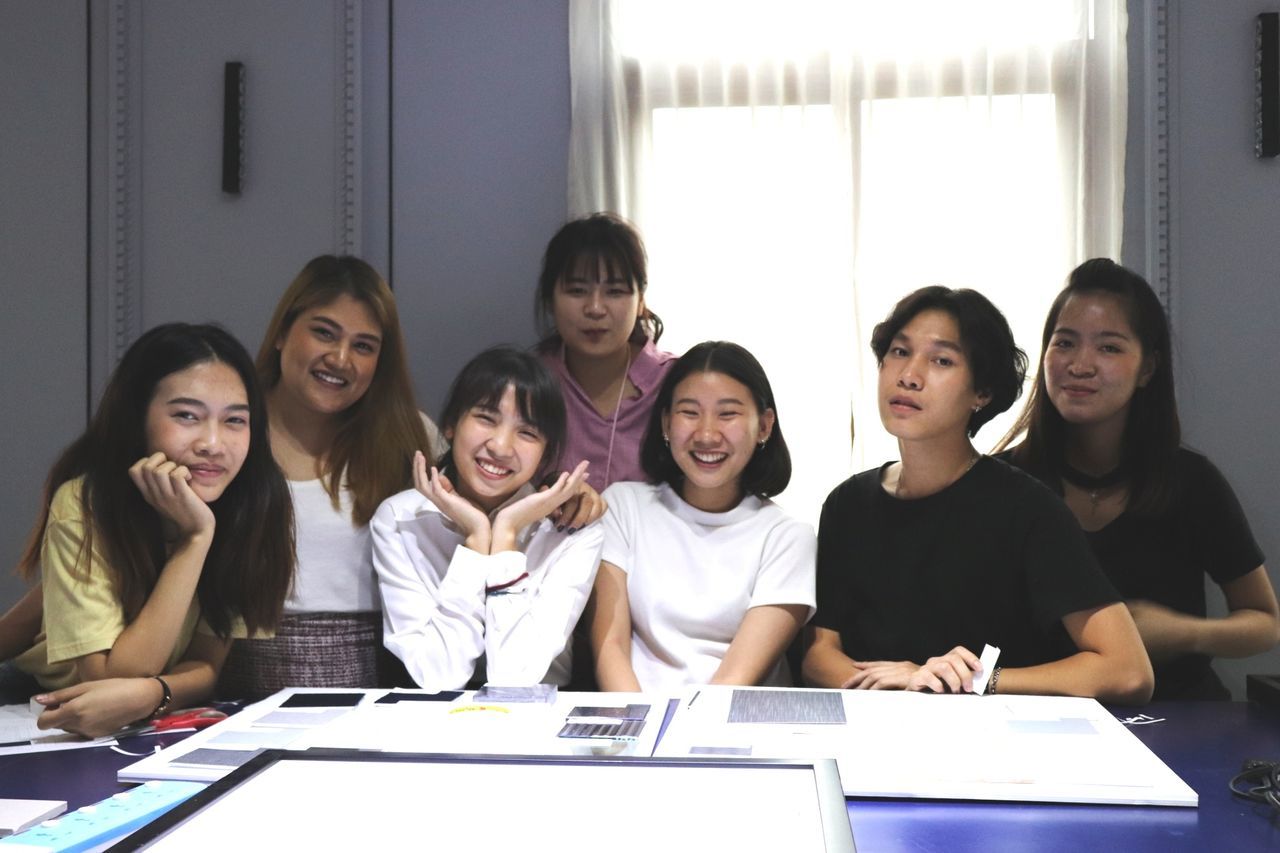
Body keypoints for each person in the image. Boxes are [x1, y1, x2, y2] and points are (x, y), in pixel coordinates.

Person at [802, 286, 1153, 703]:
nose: (909, 375)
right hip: (872, 725)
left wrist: (975, 679)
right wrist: (898, 684)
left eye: (941, 360)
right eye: (899, 352)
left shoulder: (1026, 509)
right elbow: (818, 652)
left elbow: (1128, 670)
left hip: (993, 742)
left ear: (981, 393)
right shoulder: (848, 503)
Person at [1002, 259, 1278, 699]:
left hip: (1180, 719)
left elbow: (1265, 622)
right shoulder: (1006, 483)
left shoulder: (1192, 482)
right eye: (1065, 343)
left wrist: (1184, 632)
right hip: (1041, 715)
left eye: (1109, 348)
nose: (1080, 365)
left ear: (1147, 368)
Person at [1, 324, 293, 736]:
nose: (213, 442)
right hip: (31, 697)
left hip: (145, 712)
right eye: (187, 416)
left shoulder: (254, 507)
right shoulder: (85, 503)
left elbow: (207, 665)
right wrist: (195, 540)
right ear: (137, 418)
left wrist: (154, 693)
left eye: (234, 420)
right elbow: (110, 678)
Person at [216, 255, 446, 699]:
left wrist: (573, 502)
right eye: (324, 332)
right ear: (283, 332)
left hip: (380, 700)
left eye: (364, 346)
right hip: (234, 697)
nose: (340, 359)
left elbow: (503, 500)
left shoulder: (409, 435)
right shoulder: (228, 428)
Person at [371, 347, 604, 690]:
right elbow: (438, 677)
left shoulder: (571, 530)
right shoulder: (401, 520)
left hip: (539, 719)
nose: (501, 446)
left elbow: (514, 678)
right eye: (486, 418)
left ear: (546, 451)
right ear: (450, 424)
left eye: (527, 433)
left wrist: (505, 533)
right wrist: (478, 538)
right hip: (430, 719)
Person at [590, 341, 815, 691]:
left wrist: (678, 740)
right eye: (689, 412)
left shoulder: (787, 537)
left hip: (732, 729)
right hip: (634, 722)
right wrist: (636, 729)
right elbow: (610, 648)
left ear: (765, 426)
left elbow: (734, 681)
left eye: (728, 414)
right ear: (666, 422)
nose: (707, 434)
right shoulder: (623, 507)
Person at [536, 213, 676, 489]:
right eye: (577, 290)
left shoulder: (676, 384)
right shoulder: (529, 385)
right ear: (550, 299)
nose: (595, 308)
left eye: (614, 292)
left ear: (640, 301)